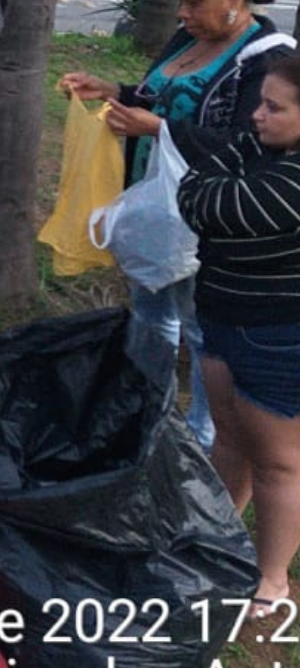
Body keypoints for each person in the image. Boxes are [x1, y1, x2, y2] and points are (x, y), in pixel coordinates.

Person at [62, 0, 293, 450]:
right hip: (155, 203)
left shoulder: (266, 61)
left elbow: (250, 144)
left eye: (195, 2)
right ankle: (148, 421)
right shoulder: (188, 38)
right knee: (151, 315)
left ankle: (201, 440)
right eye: (181, 3)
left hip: (207, 221)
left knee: (201, 330)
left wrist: (159, 129)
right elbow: (156, 92)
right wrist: (112, 90)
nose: (184, 14)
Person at [176, 53, 300, 616]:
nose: (257, 116)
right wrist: (211, 184)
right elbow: (191, 192)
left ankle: (272, 579)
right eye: (260, 101)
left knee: (277, 462)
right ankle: (220, 547)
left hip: (278, 335)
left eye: (275, 107)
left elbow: (214, 203)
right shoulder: (259, 148)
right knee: (230, 444)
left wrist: (210, 187)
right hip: (220, 317)